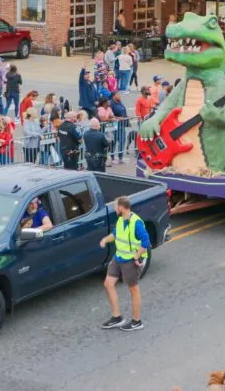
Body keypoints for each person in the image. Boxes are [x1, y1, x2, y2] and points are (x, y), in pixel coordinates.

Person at [99, 196, 150, 332]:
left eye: (116, 206)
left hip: (130, 261)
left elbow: (145, 241)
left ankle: (136, 321)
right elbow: (115, 234)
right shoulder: (121, 220)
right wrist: (105, 239)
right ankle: (117, 317)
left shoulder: (136, 223)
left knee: (133, 289)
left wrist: (137, 256)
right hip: (118, 258)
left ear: (121, 207)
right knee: (108, 284)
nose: (115, 208)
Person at [110, 91, 128, 164]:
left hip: (122, 124)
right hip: (114, 124)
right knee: (113, 141)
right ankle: (112, 158)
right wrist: (118, 118)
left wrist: (126, 117)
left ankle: (120, 157)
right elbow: (110, 115)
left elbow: (123, 110)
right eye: (118, 94)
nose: (119, 96)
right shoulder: (111, 103)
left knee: (122, 141)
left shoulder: (119, 102)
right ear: (114, 96)